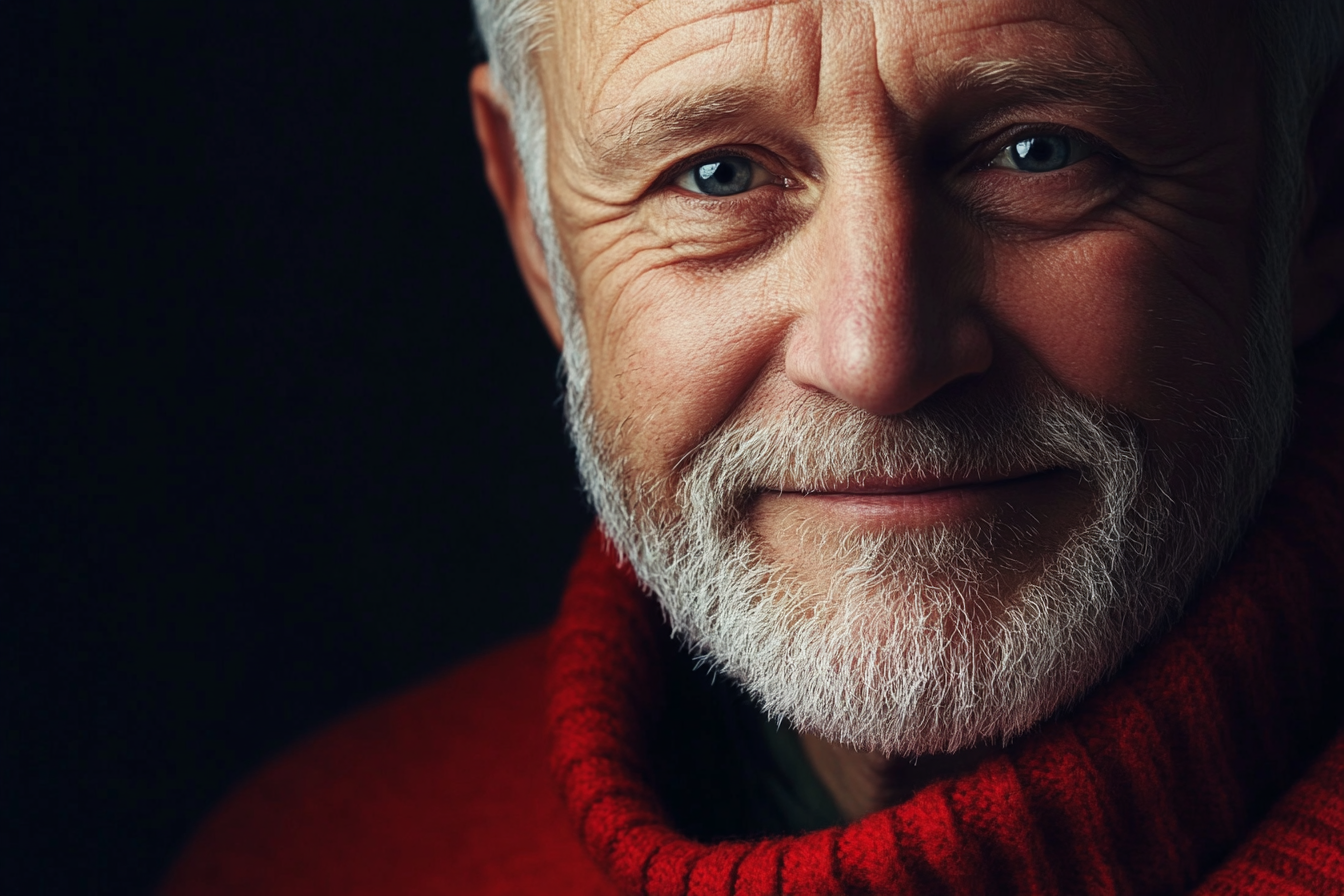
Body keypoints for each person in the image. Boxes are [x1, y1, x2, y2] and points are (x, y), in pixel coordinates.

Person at [161, 0, 1344, 893]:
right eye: (715, 174)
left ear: (1315, 192)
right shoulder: (316, 858)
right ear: (537, 230)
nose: (879, 358)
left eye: (1039, 151)